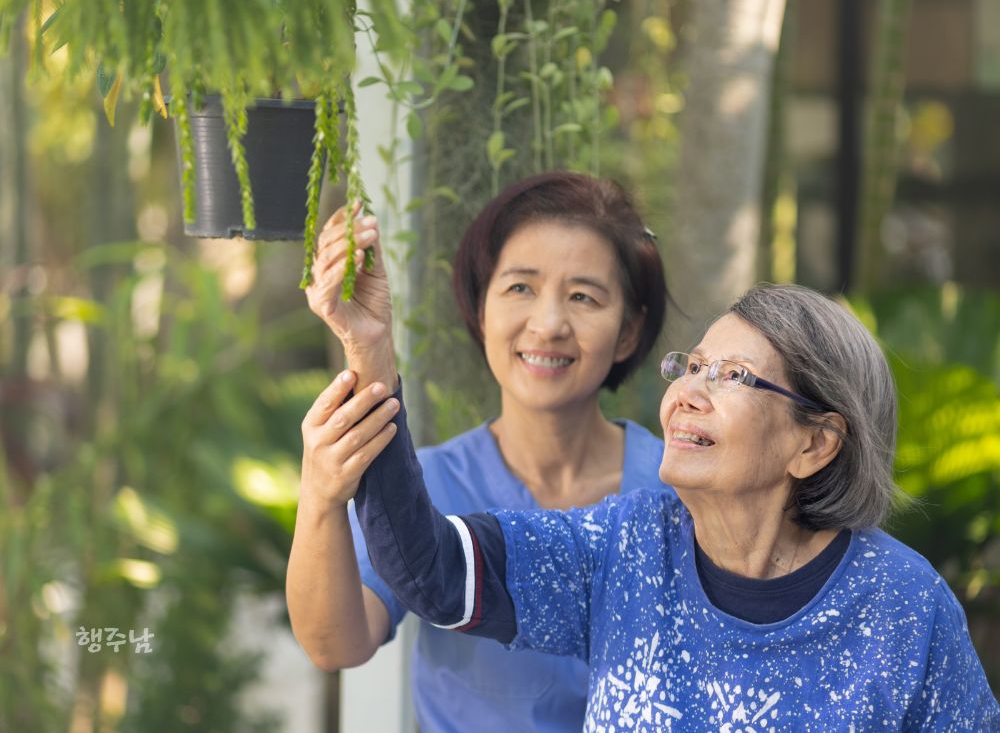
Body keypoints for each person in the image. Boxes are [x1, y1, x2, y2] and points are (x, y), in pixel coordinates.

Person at [306, 274, 1000, 729]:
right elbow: (432, 570)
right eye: (691, 365)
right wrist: (370, 354)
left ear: (815, 444)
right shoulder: (625, 547)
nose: (689, 392)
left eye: (734, 377)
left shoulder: (902, 603)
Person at [287, 172, 672, 731]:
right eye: (520, 287)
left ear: (630, 333)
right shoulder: (430, 485)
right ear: (481, 304)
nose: (548, 324)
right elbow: (336, 644)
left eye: (584, 296)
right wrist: (321, 497)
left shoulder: (676, 489)